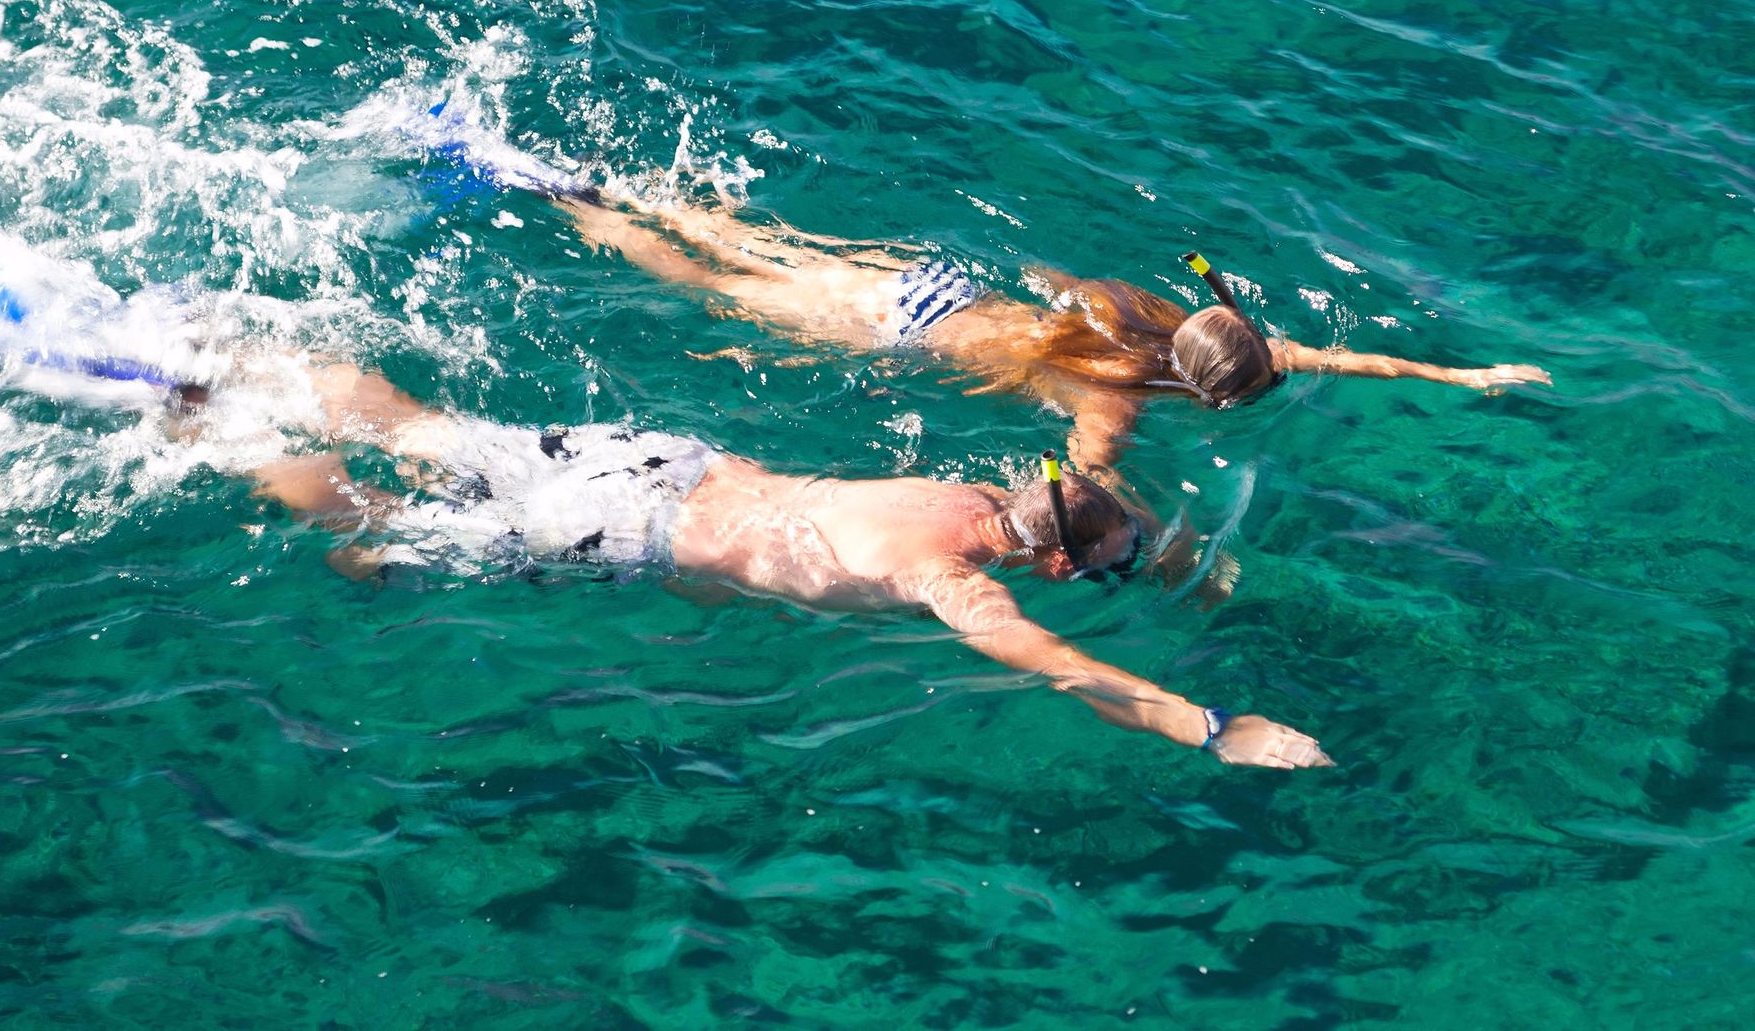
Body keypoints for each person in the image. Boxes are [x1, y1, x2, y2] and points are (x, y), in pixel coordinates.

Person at [246, 363, 1334, 770]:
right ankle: (239, 449)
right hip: (630, 529)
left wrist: (1146, 542)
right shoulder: (957, 583)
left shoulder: (967, 493)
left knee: (430, 426)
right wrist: (1208, 727)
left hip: (670, 459)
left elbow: (1081, 478)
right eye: (1098, 566)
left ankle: (280, 366)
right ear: (1049, 570)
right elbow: (1067, 671)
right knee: (377, 531)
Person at [487, 159, 1550, 470]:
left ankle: (625, 187)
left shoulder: (1154, 318)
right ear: (1220, 398)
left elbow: (1327, 356)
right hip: (900, 333)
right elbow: (1083, 488)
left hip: (936, 283)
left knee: (754, 247)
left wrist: (1468, 378)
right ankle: (562, 202)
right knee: (708, 290)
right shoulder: (1117, 404)